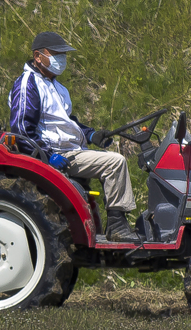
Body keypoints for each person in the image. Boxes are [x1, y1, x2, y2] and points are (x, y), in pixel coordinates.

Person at [9, 30, 139, 243]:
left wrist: (92, 134)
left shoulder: (57, 87)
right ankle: (116, 226)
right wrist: (47, 155)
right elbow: (22, 129)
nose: (61, 59)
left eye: (63, 55)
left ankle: (116, 223)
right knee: (115, 163)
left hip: (69, 151)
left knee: (112, 160)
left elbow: (67, 122)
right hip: (55, 155)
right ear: (38, 56)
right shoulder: (28, 84)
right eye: (56, 54)